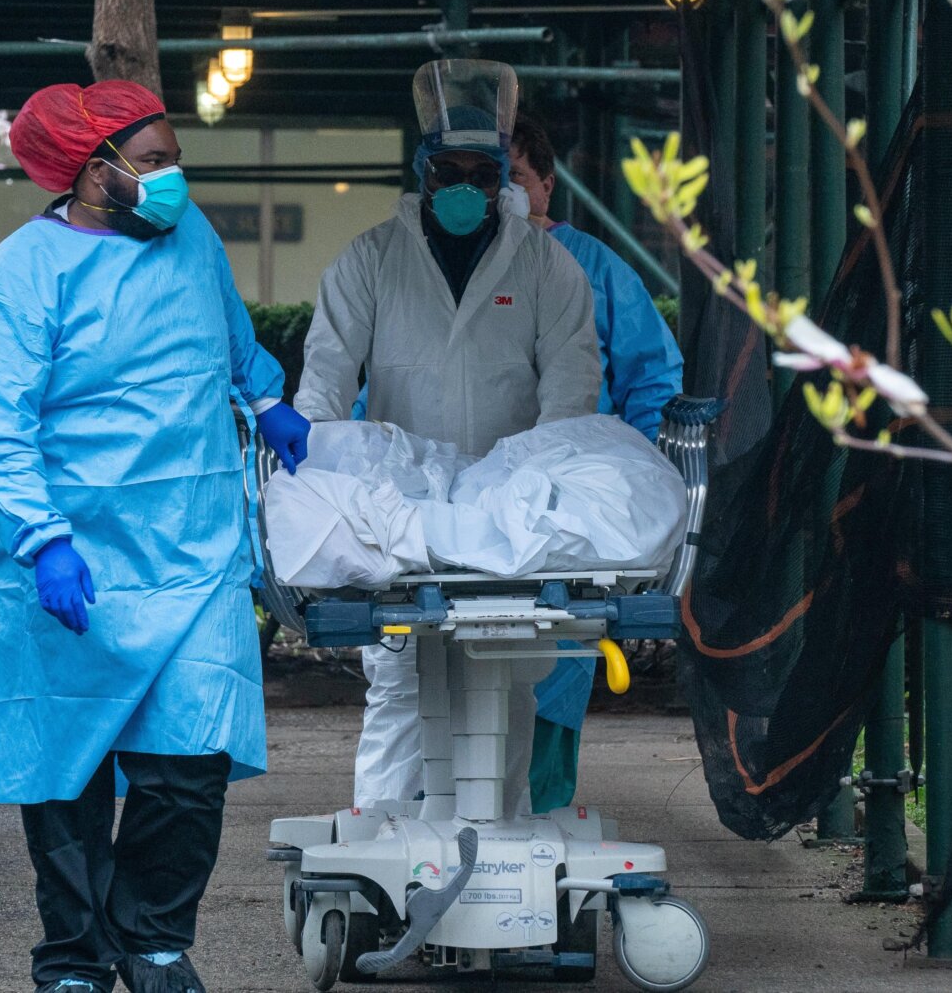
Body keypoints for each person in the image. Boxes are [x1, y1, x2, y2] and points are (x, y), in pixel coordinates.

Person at [0, 79, 311, 993]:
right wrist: (41, 539)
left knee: (189, 764)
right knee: (67, 771)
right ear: (90, 170)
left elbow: (228, 337)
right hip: (70, 559)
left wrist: (266, 398)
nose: (173, 176)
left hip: (189, 557)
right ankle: (73, 958)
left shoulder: (190, 239)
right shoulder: (18, 280)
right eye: (153, 162)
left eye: (174, 157)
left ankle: (151, 939)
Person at [293, 60, 602, 817]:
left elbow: (570, 393)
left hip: (512, 513)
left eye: (480, 171)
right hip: (401, 514)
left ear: (503, 175)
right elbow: (326, 380)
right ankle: (382, 869)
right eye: (447, 171)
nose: (463, 186)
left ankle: (505, 857)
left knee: (508, 684)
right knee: (401, 687)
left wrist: (540, 495)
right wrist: (314, 482)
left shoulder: (546, 265)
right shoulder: (371, 260)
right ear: (421, 172)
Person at [506, 115, 685, 812]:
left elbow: (651, 378)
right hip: (468, 490)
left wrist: (633, 470)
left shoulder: (597, 268)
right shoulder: (441, 268)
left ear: (546, 185)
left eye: (514, 177)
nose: (500, 194)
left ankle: (542, 806)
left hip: (573, 488)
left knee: (561, 645)